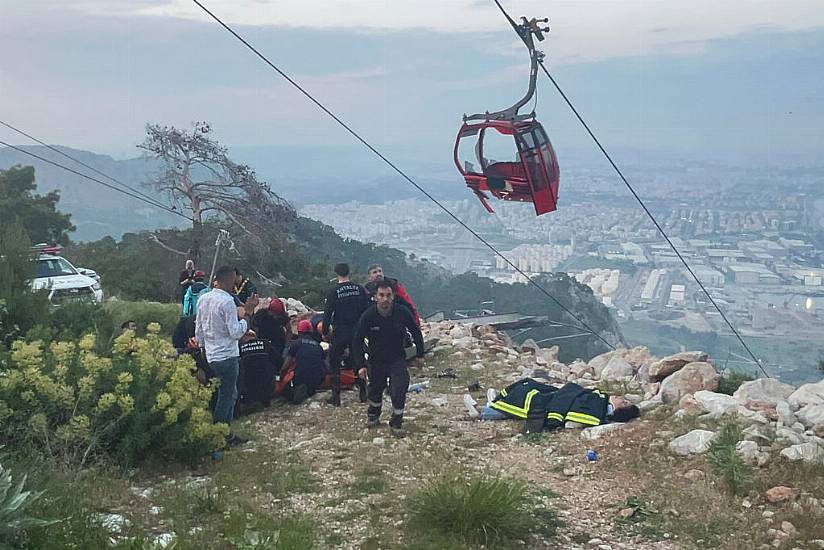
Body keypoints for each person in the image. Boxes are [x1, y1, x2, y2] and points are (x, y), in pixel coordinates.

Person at [195, 265, 259, 447]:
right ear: (230, 281)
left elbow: (198, 328)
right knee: (227, 395)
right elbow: (236, 332)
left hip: (210, 355)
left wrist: (202, 347)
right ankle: (222, 434)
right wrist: (247, 314)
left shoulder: (203, 299)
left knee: (226, 392)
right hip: (227, 356)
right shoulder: (227, 302)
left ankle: (221, 431)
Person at [352, 280, 424, 436]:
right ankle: (373, 415)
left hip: (397, 359)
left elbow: (416, 332)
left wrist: (420, 354)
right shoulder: (368, 316)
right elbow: (356, 341)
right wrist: (360, 365)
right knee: (376, 390)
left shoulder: (402, 312)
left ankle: (396, 422)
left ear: (393, 296)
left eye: (388, 295)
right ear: (375, 297)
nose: (385, 299)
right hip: (376, 360)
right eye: (381, 295)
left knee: (399, 389)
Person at [463, 378, 640, 432]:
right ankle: (494, 404)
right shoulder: (599, 402)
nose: (619, 397)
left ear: (618, 409)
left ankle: (483, 411)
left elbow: (577, 412)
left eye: (623, 402)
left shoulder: (598, 406)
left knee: (530, 402)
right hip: (558, 398)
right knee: (532, 387)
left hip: (553, 406)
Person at [322, 263, 370, 406]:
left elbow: (327, 314)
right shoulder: (359, 289)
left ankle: (336, 396)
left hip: (340, 330)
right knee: (358, 359)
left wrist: (325, 331)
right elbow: (366, 310)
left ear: (336, 273)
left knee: (335, 361)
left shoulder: (333, 292)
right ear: (349, 272)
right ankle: (363, 391)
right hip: (357, 329)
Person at [284, 320, 327, 404]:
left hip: (301, 377)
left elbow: (285, 367)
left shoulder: (295, 344)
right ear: (311, 332)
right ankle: (309, 391)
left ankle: (297, 393)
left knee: (286, 392)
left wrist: (281, 378)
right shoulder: (318, 346)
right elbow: (326, 365)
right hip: (319, 379)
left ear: (299, 332)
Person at [238, 329, 278, 412]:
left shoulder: (240, 348)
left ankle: (249, 403)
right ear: (255, 336)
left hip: (248, 386)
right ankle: (265, 401)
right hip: (267, 384)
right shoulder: (265, 343)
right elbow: (276, 359)